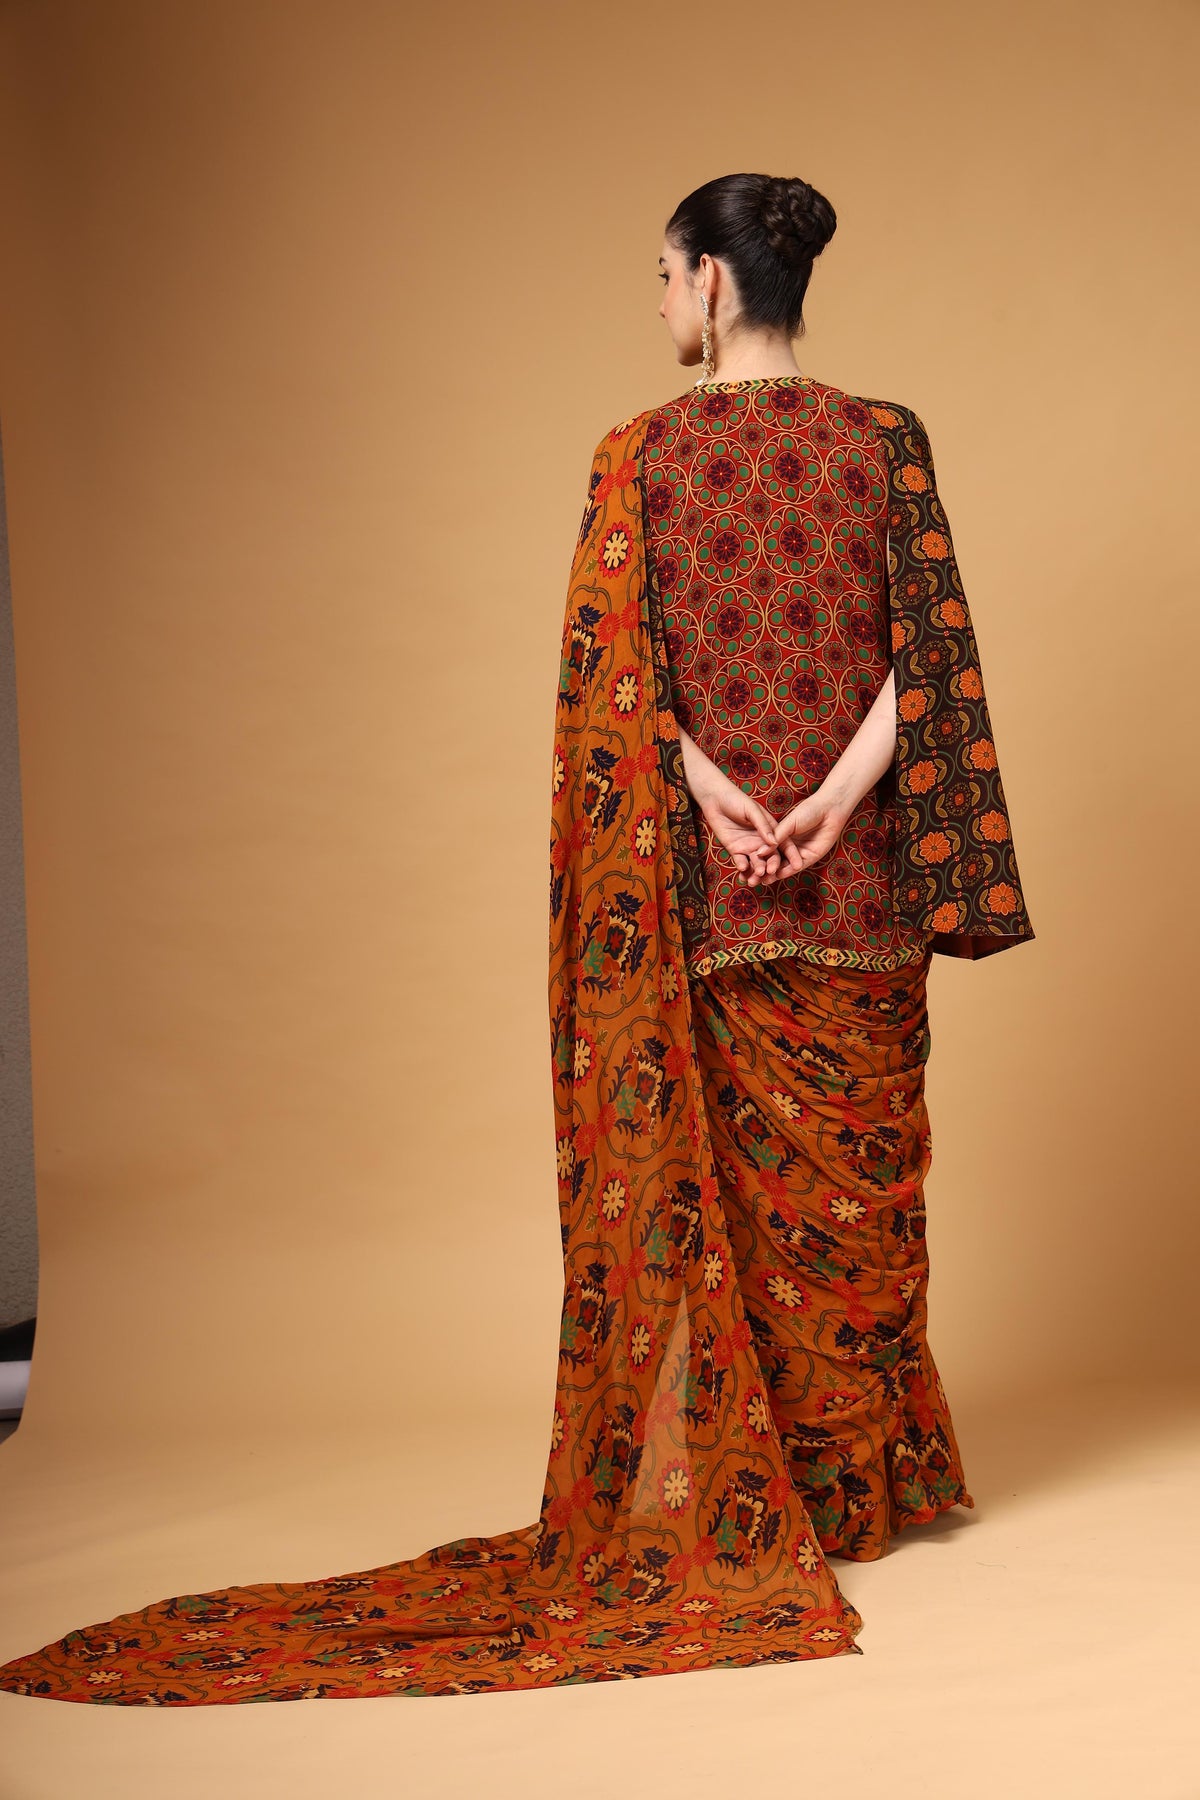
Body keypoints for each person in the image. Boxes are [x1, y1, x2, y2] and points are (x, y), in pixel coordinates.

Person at [0, 171, 1034, 1705]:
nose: (658, 301)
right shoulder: (886, 441)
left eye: (663, 274)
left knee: (734, 1199)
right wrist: (829, 802)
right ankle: (857, 1488)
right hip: (861, 880)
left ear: (710, 284)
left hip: (709, 888)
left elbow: (621, 691)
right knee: (857, 1195)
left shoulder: (638, 458)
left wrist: (726, 797)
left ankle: (755, 1494)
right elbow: (924, 659)